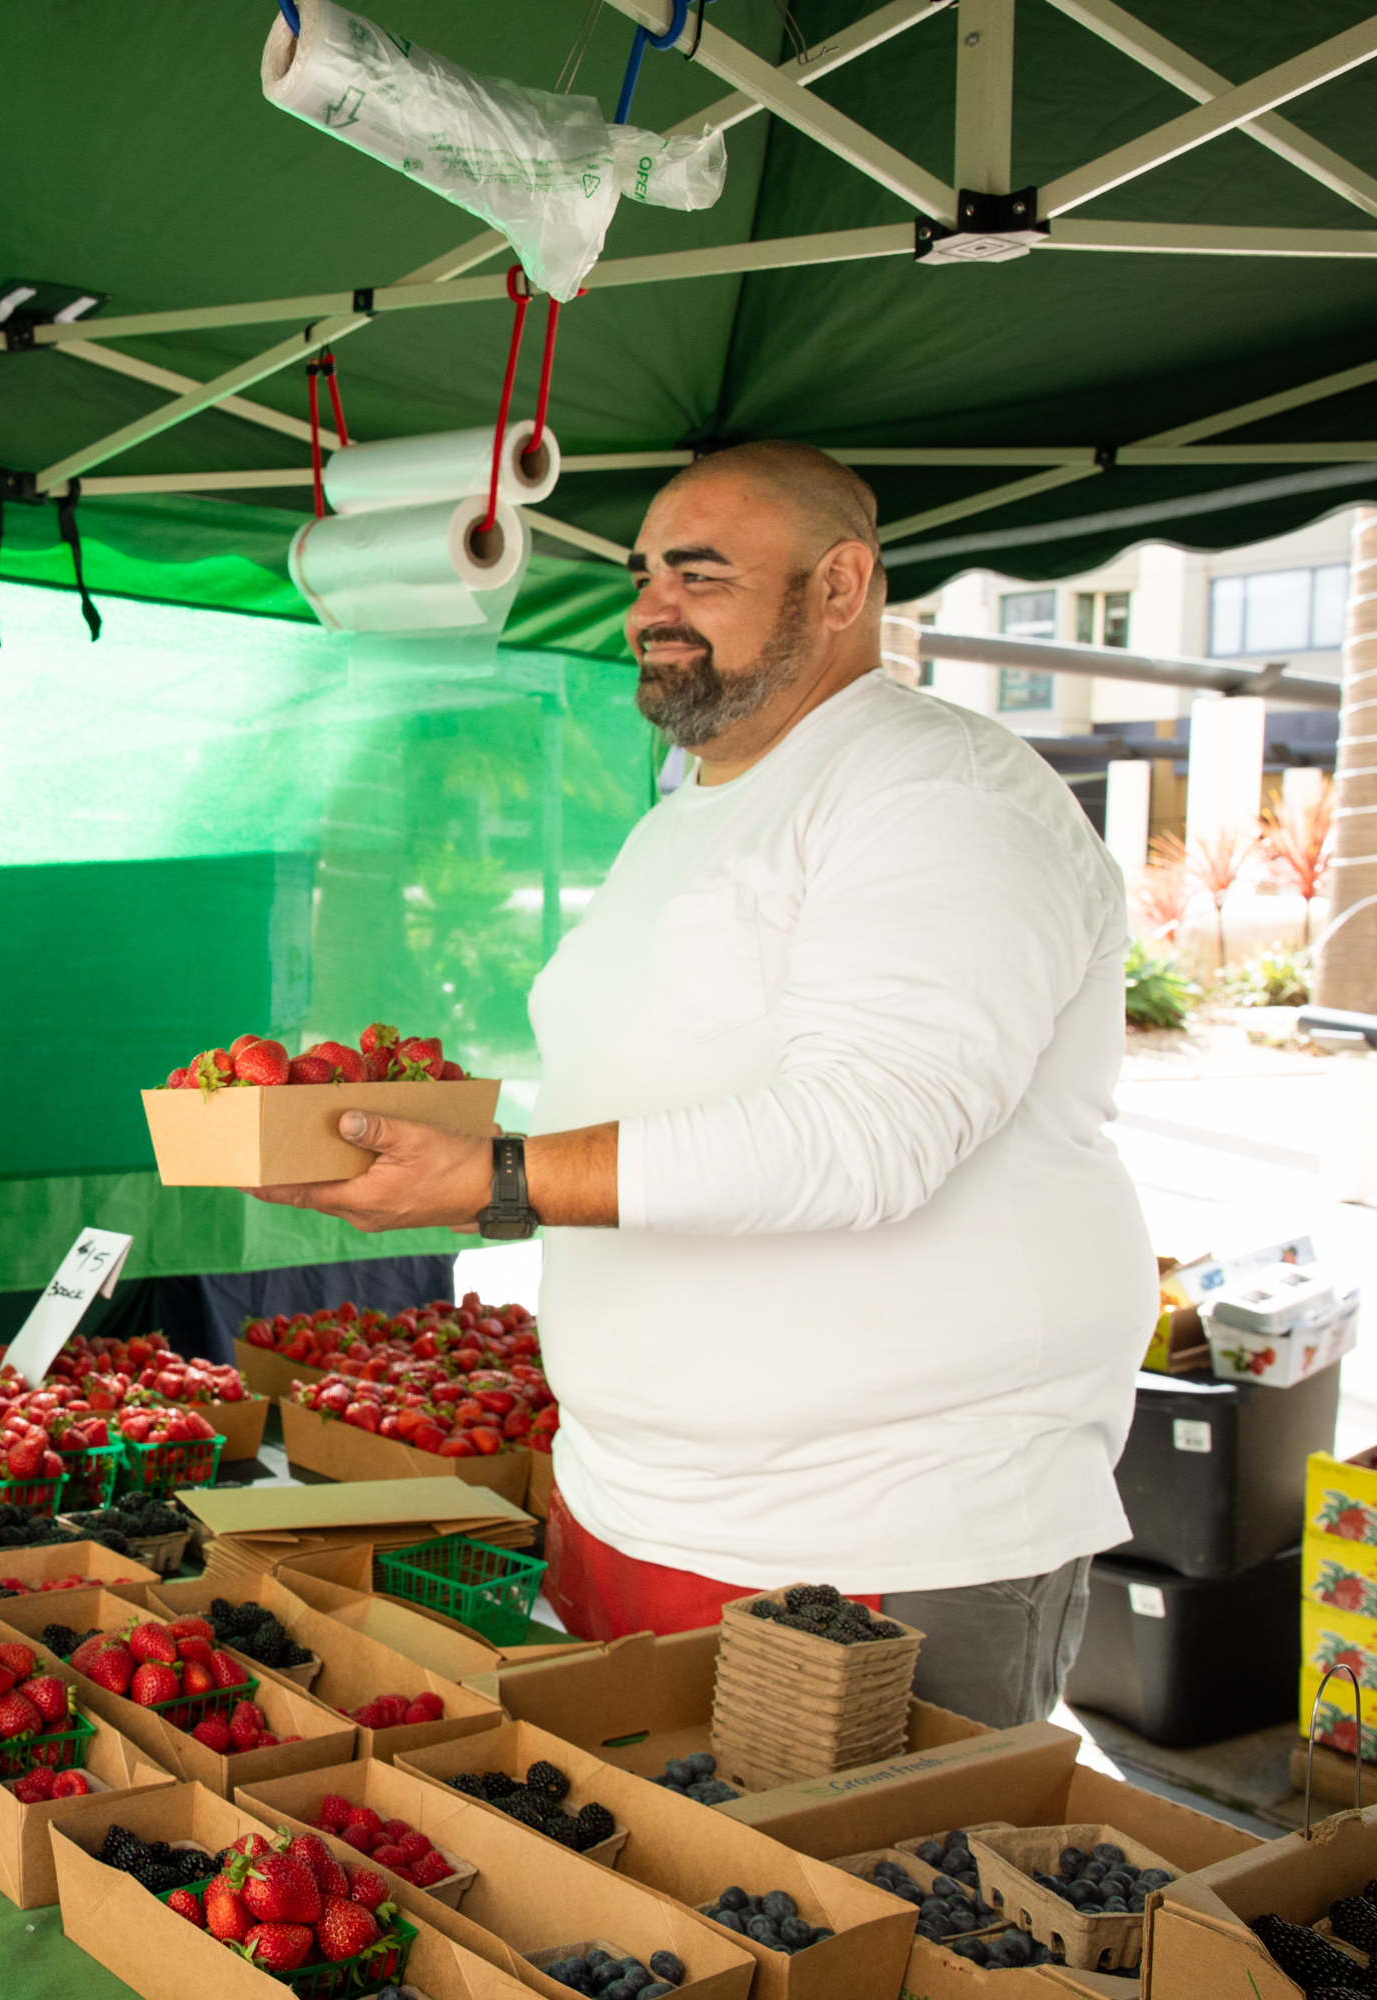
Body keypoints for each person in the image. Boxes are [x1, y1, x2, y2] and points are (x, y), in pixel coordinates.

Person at [253, 441, 1149, 1727]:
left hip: (879, 1542)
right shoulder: (688, 814)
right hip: (631, 1504)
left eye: (701, 572)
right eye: (641, 573)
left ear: (841, 587)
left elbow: (866, 1132)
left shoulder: (937, 790)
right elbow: (638, 1110)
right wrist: (450, 1158)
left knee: (860, 1912)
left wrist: (503, 1175)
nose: (649, 607)